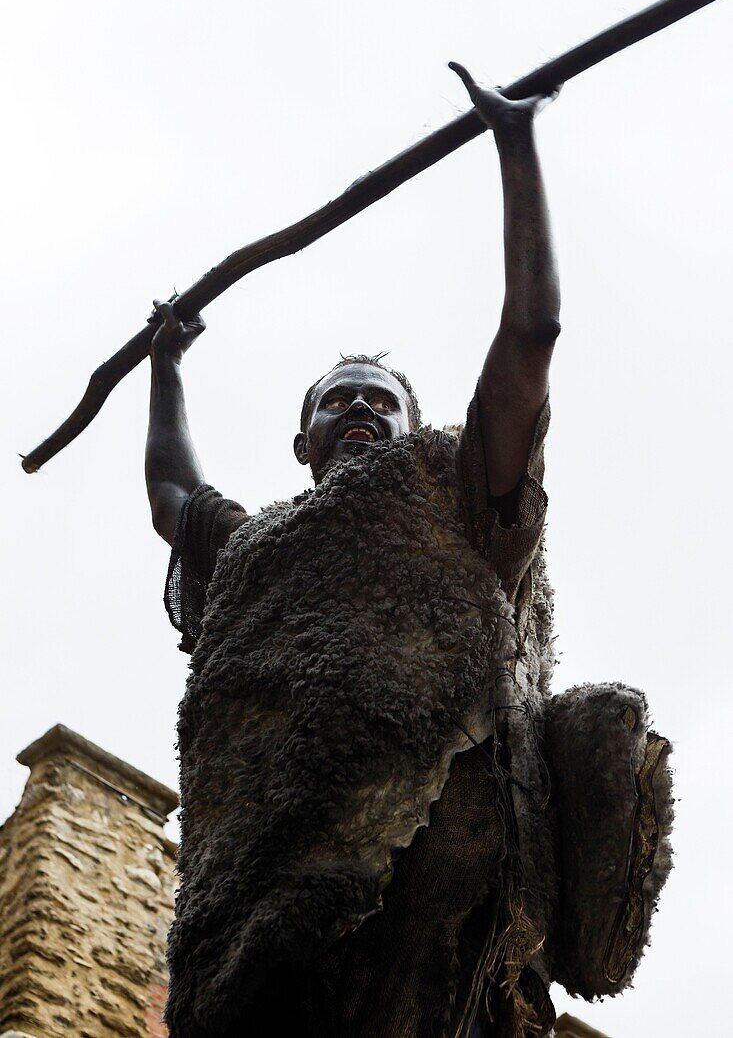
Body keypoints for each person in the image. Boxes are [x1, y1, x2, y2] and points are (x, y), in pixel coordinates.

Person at [145, 66, 670, 1038]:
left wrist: (515, 148)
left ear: (415, 427)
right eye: (333, 399)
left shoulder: (455, 496)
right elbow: (173, 494)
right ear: (301, 441)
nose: (354, 407)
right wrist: (164, 363)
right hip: (266, 910)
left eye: (377, 398)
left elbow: (531, 332)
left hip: (431, 906)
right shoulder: (256, 552)